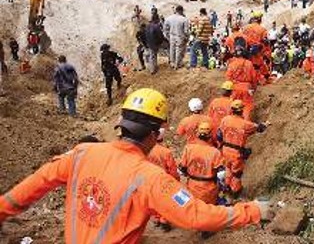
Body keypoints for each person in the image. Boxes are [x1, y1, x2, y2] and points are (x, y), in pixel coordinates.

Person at [0, 88, 272, 243]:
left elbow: (25, 192)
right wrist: (252, 211)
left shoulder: (81, 154)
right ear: (154, 134)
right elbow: (196, 216)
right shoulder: (150, 178)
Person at [218, 100, 267, 197]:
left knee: (228, 168)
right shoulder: (245, 124)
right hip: (236, 152)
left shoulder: (225, 120)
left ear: (232, 110)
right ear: (242, 110)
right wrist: (265, 124)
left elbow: (219, 134)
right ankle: (235, 192)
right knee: (237, 173)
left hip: (225, 149)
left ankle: (226, 186)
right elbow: (259, 128)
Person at [179, 122, 225, 205]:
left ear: (197, 134)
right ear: (210, 135)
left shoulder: (188, 148)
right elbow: (221, 174)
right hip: (209, 191)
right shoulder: (215, 152)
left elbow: (182, 168)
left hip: (192, 187)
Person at [226, 46, 259, 120]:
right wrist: (253, 88)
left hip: (235, 87)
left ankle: (232, 123)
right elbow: (254, 78)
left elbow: (228, 78)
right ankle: (245, 122)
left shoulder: (232, 64)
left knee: (233, 106)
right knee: (247, 107)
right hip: (247, 88)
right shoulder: (249, 63)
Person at [165, 5, 189, 70]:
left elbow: (165, 28)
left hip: (172, 36)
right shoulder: (184, 19)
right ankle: (177, 64)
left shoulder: (169, 18)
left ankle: (172, 63)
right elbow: (186, 31)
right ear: (181, 11)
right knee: (179, 50)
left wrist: (168, 36)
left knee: (172, 49)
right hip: (180, 36)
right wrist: (187, 38)